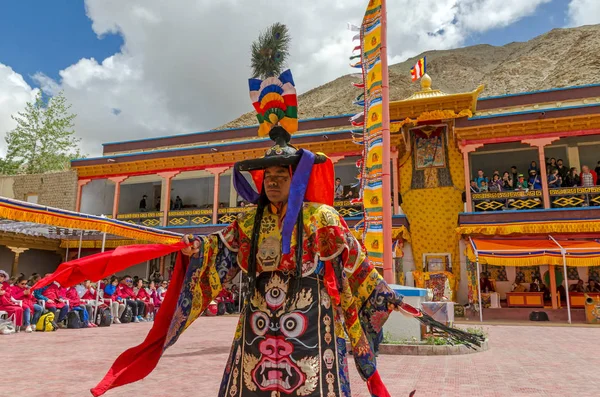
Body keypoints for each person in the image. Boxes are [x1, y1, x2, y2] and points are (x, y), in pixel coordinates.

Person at [44, 34, 482, 396]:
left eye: (281, 175)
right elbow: (219, 252)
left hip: (311, 321)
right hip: (257, 321)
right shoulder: (248, 223)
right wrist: (195, 247)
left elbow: (356, 268)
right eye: (267, 175)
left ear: (295, 179)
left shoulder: (323, 219)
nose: (272, 181)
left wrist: (383, 295)